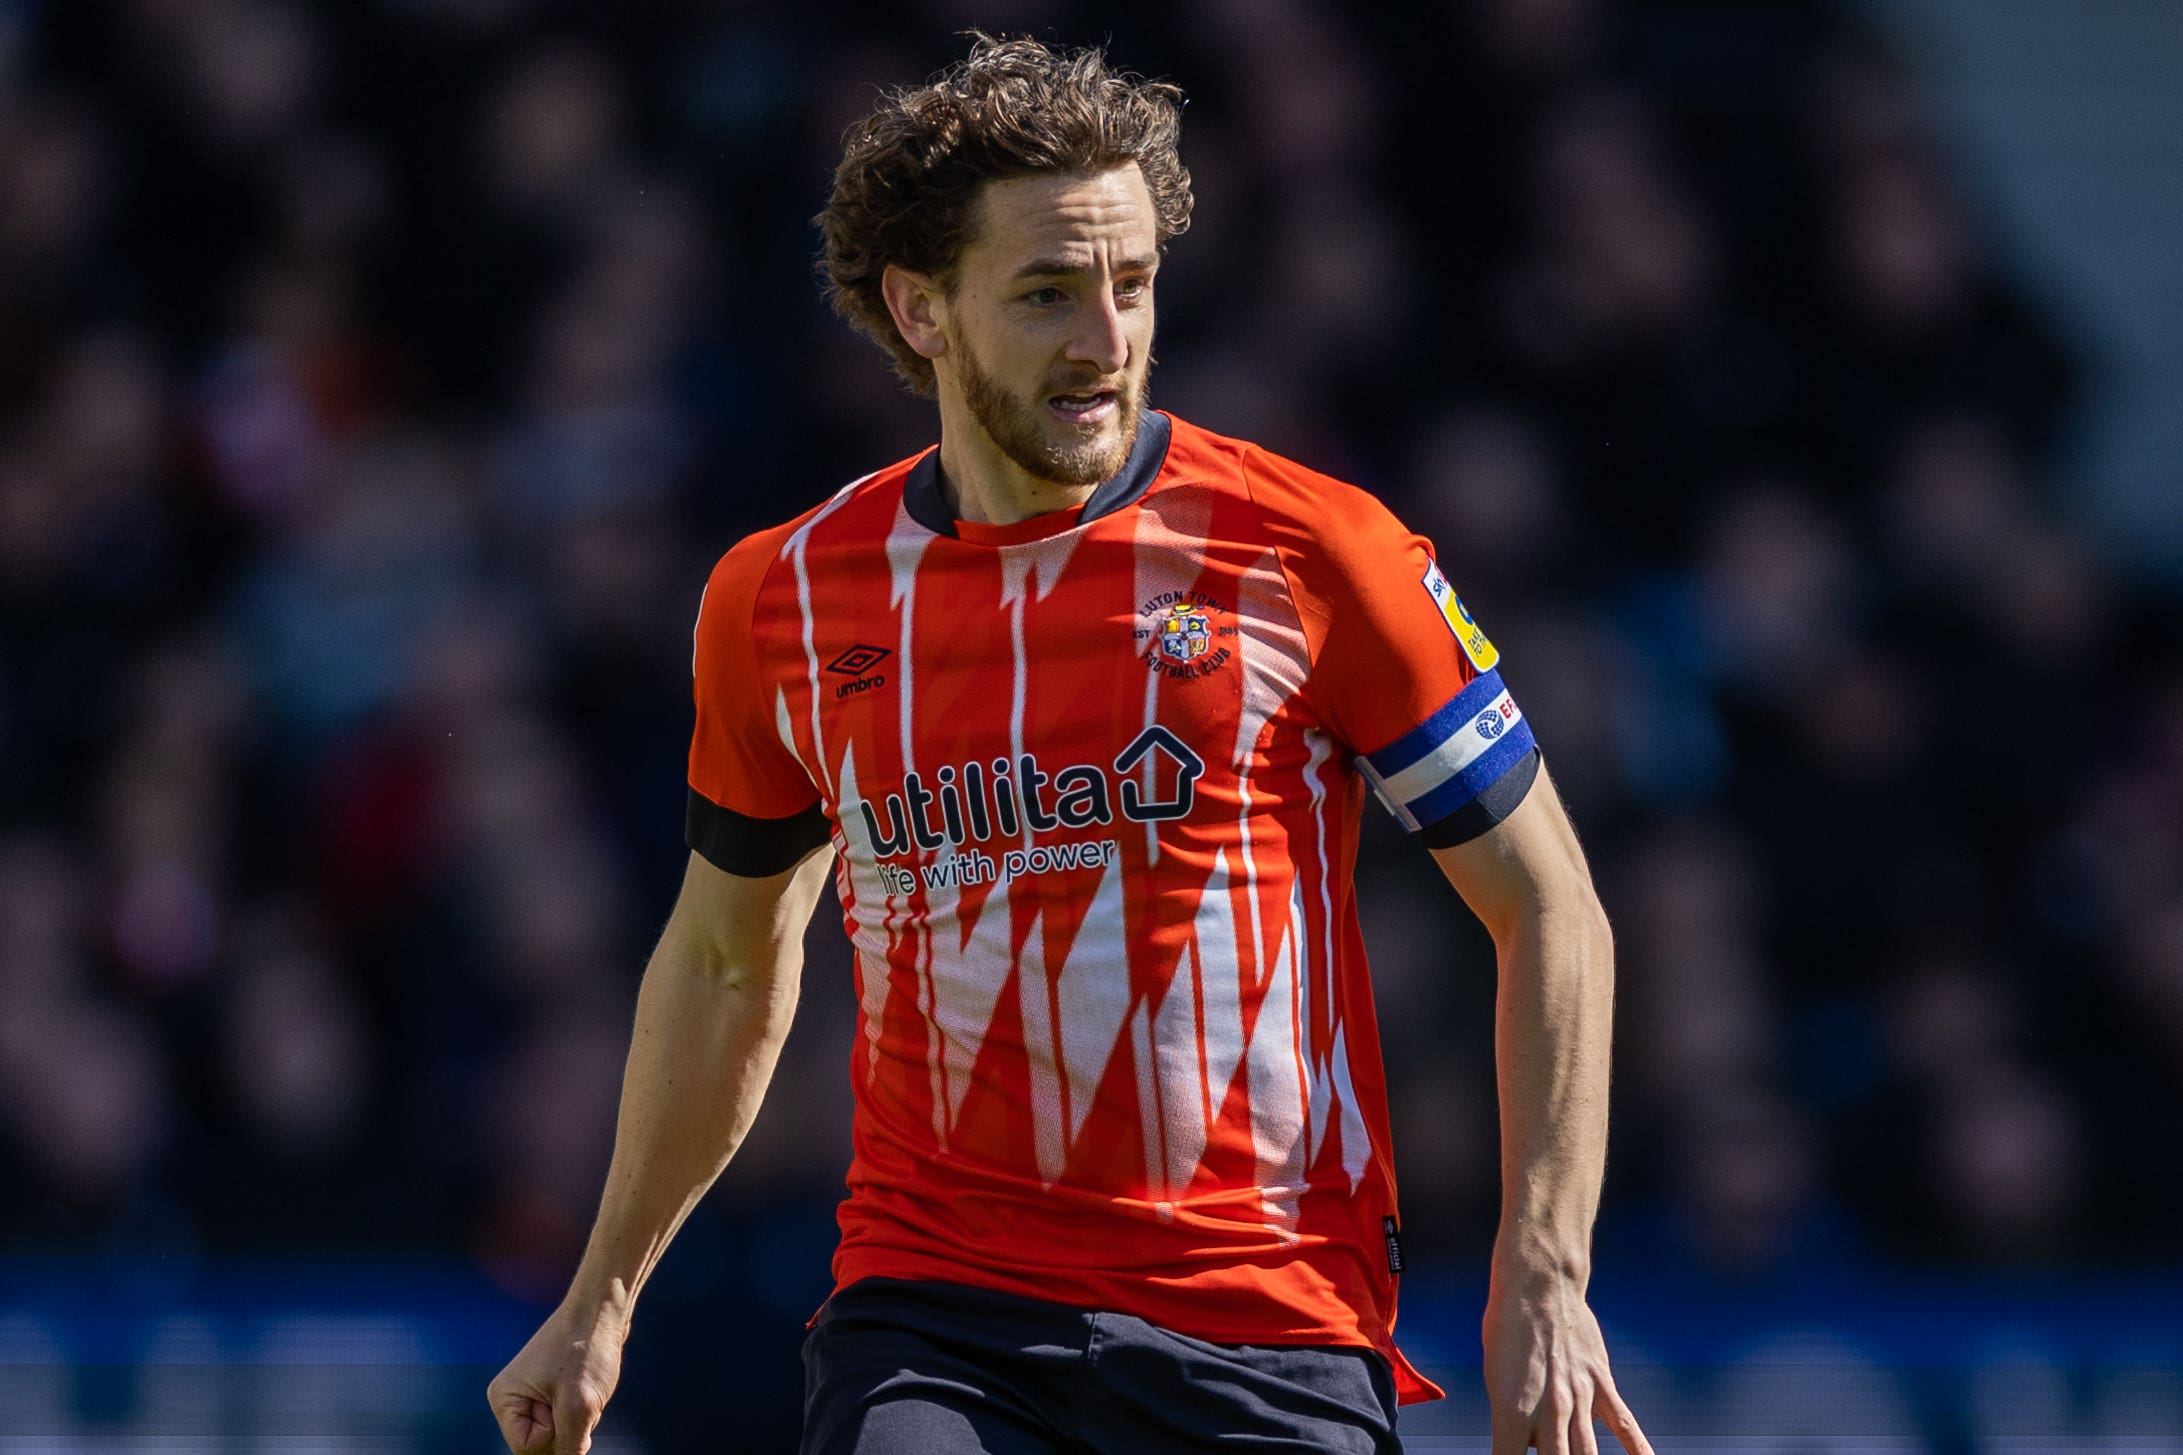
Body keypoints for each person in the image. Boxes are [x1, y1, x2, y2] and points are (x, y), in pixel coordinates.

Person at [490, 34, 1652, 1455]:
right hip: (939, 1318)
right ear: (920, 311)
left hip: (1267, 1325)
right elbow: (730, 960)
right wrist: (602, 1295)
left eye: (1132, 284)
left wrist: (1543, 1267)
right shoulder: (779, 599)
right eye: (1046, 294)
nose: (1105, 340)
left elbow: (1550, 905)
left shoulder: (1318, 552)